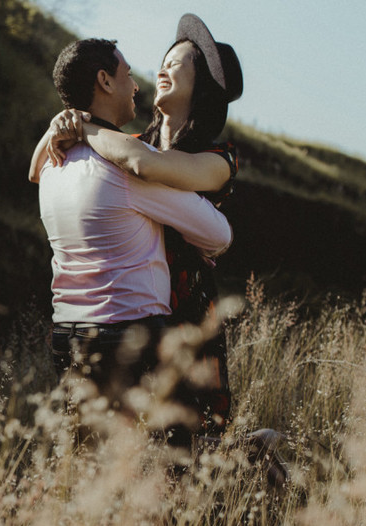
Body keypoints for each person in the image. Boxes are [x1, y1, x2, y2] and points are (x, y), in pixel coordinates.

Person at [32, 15, 242, 443]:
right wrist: (64, 124)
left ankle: (255, 463)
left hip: (183, 311)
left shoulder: (216, 157)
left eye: (177, 63)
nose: (160, 70)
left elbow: (144, 164)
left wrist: (82, 124)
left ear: (200, 85)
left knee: (198, 443)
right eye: (162, 60)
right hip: (135, 311)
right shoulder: (129, 142)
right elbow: (44, 166)